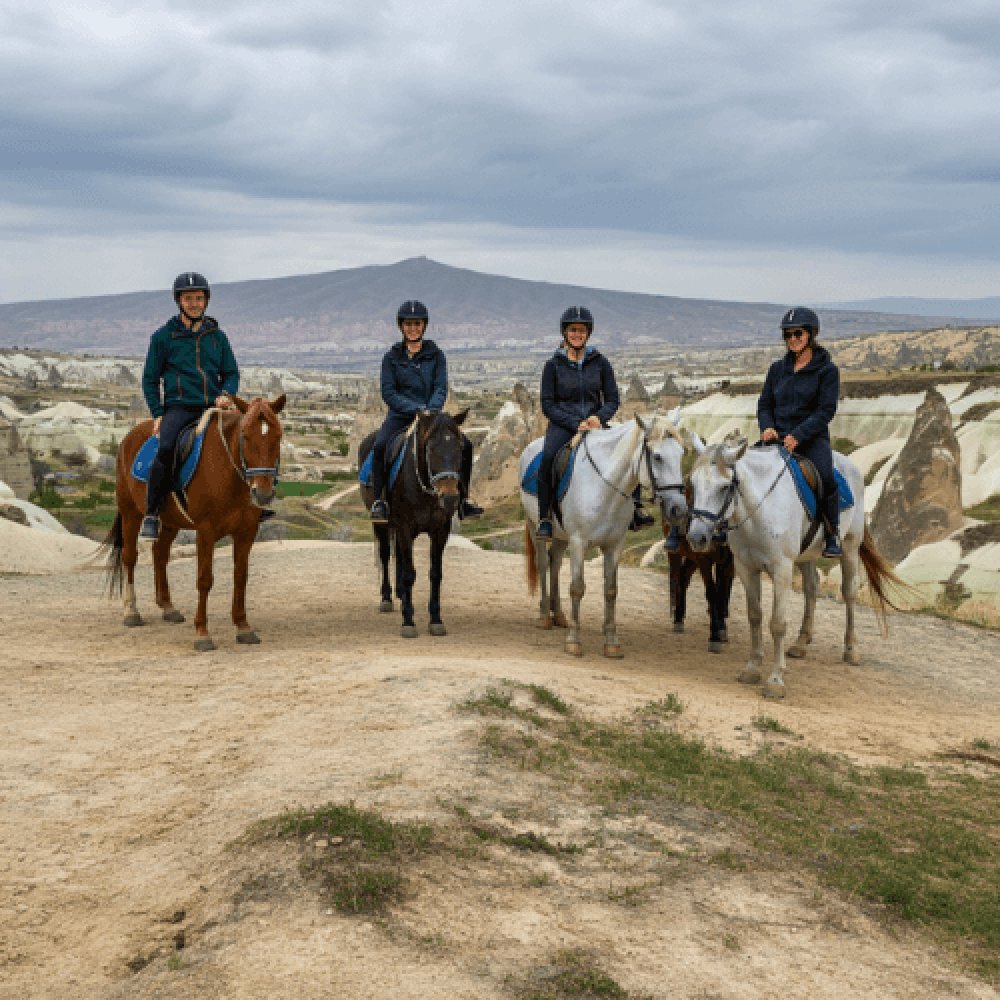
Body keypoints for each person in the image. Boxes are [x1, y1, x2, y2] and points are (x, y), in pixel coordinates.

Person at [535, 306, 653, 540]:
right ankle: (545, 517)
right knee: (547, 459)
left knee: (630, 450)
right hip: (564, 424)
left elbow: (612, 399)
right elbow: (548, 404)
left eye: (581, 330)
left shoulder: (600, 363)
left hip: (595, 422)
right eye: (573, 330)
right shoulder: (553, 365)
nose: (577, 334)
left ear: (588, 333)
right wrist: (574, 423)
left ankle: (635, 509)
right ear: (565, 332)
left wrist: (598, 417)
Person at [139, 272, 240, 539]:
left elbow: (231, 373)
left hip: (214, 407)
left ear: (206, 300)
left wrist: (227, 394)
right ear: (179, 301)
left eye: (198, 298)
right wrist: (158, 413)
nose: (194, 304)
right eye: (188, 299)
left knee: (248, 439)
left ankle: (252, 504)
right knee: (166, 448)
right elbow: (150, 380)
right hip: (180, 408)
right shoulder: (163, 337)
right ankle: (152, 512)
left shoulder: (218, 337)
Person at [369, 300, 482, 522]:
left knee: (466, 445)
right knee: (380, 446)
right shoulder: (391, 358)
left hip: (432, 417)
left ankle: (463, 501)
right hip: (400, 416)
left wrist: (431, 410)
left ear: (424, 326)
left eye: (417, 324)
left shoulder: (436, 355)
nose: (413, 328)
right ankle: (380, 501)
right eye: (408, 324)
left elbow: (440, 388)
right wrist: (416, 409)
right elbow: (389, 393)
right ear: (401, 326)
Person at [757, 306, 843, 557]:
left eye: (798, 334)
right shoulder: (776, 369)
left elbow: (826, 410)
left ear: (810, 335)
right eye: (788, 335)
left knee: (826, 477)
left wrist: (799, 435)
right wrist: (767, 427)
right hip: (777, 438)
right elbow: (765, 404)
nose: (792, 339)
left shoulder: (827, 371)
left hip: (811, 438)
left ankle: (832, 533)